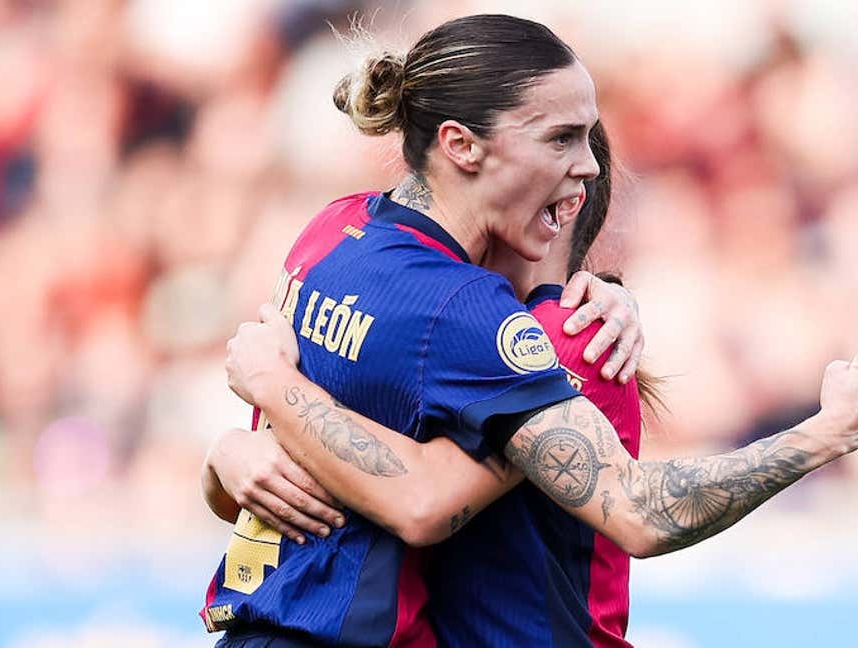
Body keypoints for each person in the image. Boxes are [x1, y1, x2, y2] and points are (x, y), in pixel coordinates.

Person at [209, 13, 858, 648]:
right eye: (562, 139)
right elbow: (630, 510)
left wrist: (244, 432)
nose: (590, 165)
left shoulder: (332, 231)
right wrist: (827, 433)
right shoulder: (473, 313)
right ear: (461, 145)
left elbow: (296, 461)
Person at [207, 121, 655, 647]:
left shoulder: (562, 337)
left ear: (561, 206)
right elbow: (323, 486)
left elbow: (418, 501)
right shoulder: (452, 343)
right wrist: (227, 456)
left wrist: (272, 381)